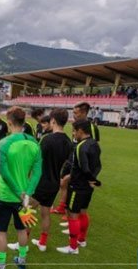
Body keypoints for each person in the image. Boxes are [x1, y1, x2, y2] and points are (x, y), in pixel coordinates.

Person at [0, 106, 42, 269]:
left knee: (1, 232)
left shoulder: (3, 143)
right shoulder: (34, 142)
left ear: (9, 123)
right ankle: (21, 261)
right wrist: (27, 193)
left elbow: (5, 173)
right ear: (24, 122)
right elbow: (38, 171)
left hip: (5, 195)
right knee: (22, 229)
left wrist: (20, 193)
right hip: (24, 197)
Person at [57, 119, 101, 254]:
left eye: (74, 131)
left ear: (81, 131)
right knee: (83, 212)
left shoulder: (81, 147)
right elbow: (98, 166)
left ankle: (73, 247)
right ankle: (82, 240)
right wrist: (93, 181)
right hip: (88, 187)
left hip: (77, 186)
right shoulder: (94, 144)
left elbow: (84, 168)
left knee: (73, 215)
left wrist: (92, 180)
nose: (73, 134)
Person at [31, 109, 72, 251]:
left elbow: (37, 161)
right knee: (45, 213)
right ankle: (42, 243)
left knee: (27, 211)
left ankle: (22, 242)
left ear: (53, 120)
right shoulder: (68, 142)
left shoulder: (47, 139)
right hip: (54, 182)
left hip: (41, 182)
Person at [51, 102, 99, 215]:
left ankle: (72, 213)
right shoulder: (76, 124)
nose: (73, 115)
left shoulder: (91, 127)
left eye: (75, 113)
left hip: (80, 163)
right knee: (63, 183)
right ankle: (63, 207)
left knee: (73, 186)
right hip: (71, 160)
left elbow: (94, 148)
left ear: (83, 112)